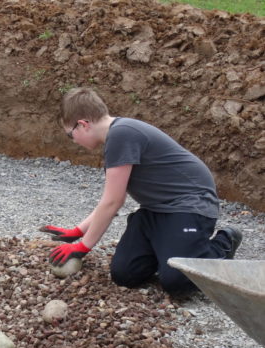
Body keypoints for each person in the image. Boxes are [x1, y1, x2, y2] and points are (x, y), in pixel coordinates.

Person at [42, 87, 242, 296]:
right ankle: (170, 250)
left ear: (82, 125)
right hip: (154, 212)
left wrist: (82, 246)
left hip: (190, 207)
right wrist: (78, 230)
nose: (72, 141)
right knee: (125, 275)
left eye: (69, 135)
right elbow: (111, 198)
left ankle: (224, 243)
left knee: (177, 282)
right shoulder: (117, 136)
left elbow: (113, 202)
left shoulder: (122, 134)